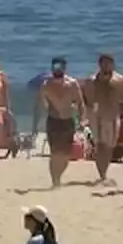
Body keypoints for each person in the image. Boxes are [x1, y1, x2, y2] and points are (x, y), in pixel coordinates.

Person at [34, 57, 85, 189]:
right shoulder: (46, 85)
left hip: (68, 121)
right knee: (55, 153)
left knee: (67, 154)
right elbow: (39, 106)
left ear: (64, 67)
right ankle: (55, 181)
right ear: (52, 67)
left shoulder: (72, 83)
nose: (58, 69)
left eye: (60, 66)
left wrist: (82, 120)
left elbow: (80, 103)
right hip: (53, 121)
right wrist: (35, 125)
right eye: (55, 66)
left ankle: (58, 176)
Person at [83, 53, 123, 184]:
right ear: (99, 64)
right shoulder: (92, 80)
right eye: (104, 63)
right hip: (97, 116)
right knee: (100, 145)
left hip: (112, 115)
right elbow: (87, 100)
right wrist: (86, 116)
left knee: (110, 146)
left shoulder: (119, 80)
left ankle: (103, 172)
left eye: (109, 63)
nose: (106, 66)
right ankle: (102, 175)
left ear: (113, 64)